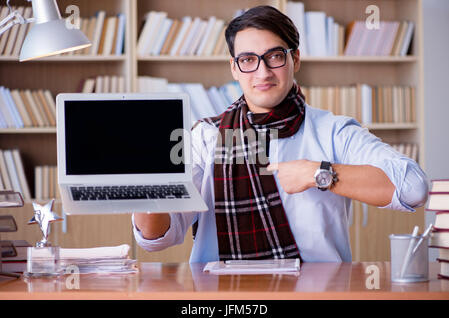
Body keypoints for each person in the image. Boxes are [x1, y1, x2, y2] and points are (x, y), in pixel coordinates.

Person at [133, 6, 428, 262]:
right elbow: (156, 239)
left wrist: (318, 174)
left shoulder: (334, 131)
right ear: (234, 68)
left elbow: (413, 188)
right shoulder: (205, 137)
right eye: (248, 60)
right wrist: (150, 187)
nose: (262, 73)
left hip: (315, 292)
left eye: (274, 56)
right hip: (221, 295)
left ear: (295, 60)